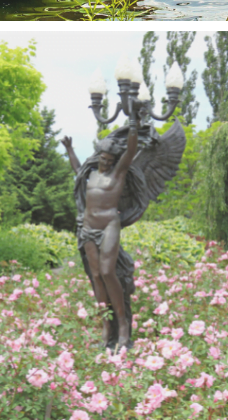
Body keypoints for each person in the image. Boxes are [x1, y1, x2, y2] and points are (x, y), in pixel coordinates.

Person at [62, 118, 139, 351]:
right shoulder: (91, 174)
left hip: (109, 225)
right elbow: (77, 170)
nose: (104, 163)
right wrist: (69, 149)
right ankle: (107, 324)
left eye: (108, 161)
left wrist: (134, 126)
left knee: (108, 271)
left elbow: (131, 152)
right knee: (96, 276)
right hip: (87, 229)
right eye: (102, 160)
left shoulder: (118, 174)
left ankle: (123, 324)